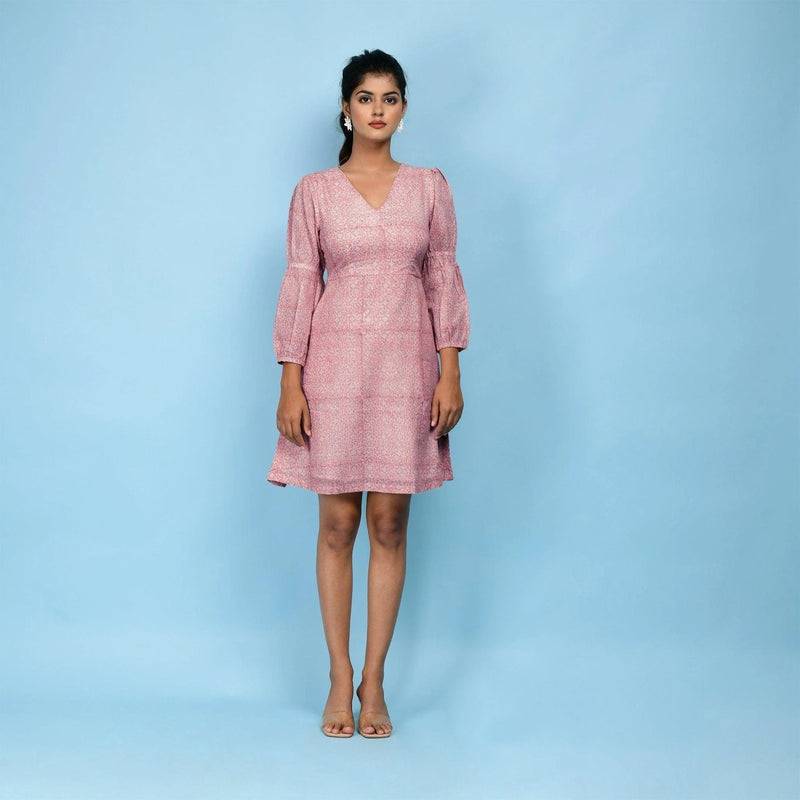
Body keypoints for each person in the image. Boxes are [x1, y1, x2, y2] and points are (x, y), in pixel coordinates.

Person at [266, 48, 470, 739]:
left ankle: (373, 682)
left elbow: (442, 277)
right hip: (333, 374)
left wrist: (451, 368)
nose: (377, 109)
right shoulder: (315, 192)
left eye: (390, 98)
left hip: (406, 369)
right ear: (346, 108)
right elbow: (300, 285)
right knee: (337, 525)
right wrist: (291, 380)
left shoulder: (431, 188)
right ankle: (335, 675)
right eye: (365, 97)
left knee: (388, 523)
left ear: (403, 111)